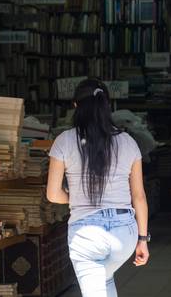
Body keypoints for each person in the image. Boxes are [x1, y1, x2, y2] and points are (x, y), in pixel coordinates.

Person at [47, 79, 149, 297]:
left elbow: (53, 194)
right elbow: (138, 196)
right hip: (125, 234)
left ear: (75, 106)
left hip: (87, 235)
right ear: (106, 106)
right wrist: (142, 239)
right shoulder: (128, 142)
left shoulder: (63, 141)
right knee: (104, 281)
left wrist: (76, 197)